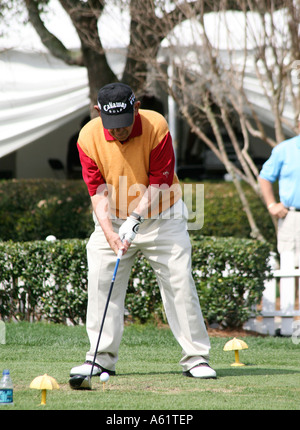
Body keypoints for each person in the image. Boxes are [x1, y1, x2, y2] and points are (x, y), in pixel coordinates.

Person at [70, 82, 216, 379]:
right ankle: (100, 358)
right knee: (100, 281)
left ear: (136, 108)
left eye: (123, 123)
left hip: (163, 216)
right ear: (97, 112)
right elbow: (97, 191)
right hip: (112, 217)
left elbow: (159, 181)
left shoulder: (156, 126)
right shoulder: (87, 136)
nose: (118, 131)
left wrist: (135, 217)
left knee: (179, 282)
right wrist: (110, 232)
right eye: (111, 125)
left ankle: (196, 358)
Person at [258, 115, 300, 266]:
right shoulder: (284, 150)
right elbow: (265, 177)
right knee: (290, 269)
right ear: (299, 125)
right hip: (293, 218)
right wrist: (271, 205)